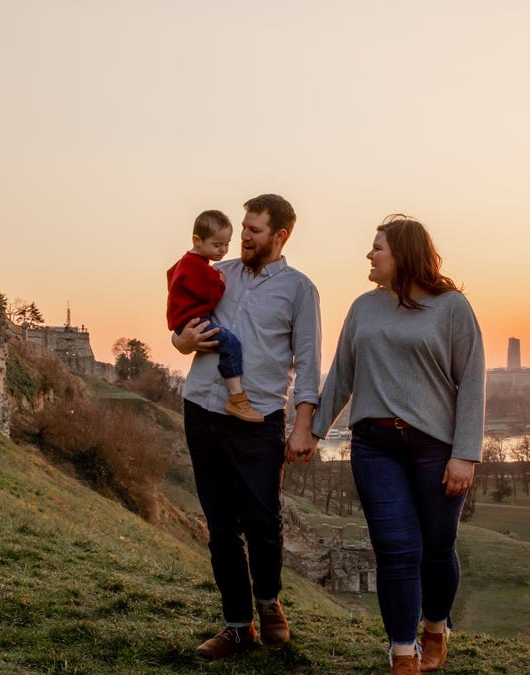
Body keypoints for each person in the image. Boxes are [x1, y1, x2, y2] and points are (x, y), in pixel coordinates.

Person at [311, 214, 485, 675]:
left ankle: (434, 627)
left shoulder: (452, 308)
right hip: (375, 446)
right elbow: (341, 376)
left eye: (378, 247)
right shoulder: (362, 308)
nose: (369, 255)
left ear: (403, 254)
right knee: (395, 548)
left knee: (437, 546)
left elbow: (471, 382)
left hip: (437, 448)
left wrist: (465, 454)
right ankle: (403, 652)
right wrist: (311, 432)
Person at [171, 193, 321, 659]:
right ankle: (238, 626)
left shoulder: (299, 289)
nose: (244, 237)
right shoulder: (219, 274)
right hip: (202, 408)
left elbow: (310, 365)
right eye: (243, 227)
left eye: (254, 230)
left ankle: (269, 602)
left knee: (263, 521)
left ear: (281, 235)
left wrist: (303, 427)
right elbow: (181, 327)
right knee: (220, 526)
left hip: (258, 419)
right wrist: (182, 340)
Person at [166, 210, 263, 423]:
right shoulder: (197, 267)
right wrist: (218, 281)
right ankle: (237, 397)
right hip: (194, 322)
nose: (223, 250)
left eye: (227, 244)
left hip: (184, 322)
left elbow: (170, 275)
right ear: (197, 241)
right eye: (217, 245)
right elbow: (211, 294)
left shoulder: (186, 262)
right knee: (230, 344)